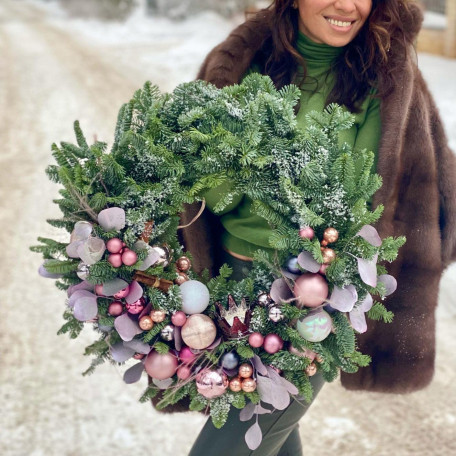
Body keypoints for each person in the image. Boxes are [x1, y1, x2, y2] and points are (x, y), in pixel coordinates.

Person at [161, 1, 456, 455]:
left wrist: (260, 171)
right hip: (226, 288)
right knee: (270, 438)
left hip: (315, 297)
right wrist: (236, 169)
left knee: (235, 441)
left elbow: (364, 202)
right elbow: (210, 194)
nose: (346, 5)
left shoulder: (387, 81)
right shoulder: (239, 63)